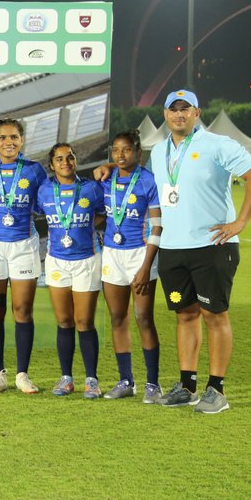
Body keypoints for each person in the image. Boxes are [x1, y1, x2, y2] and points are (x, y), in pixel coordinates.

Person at [150, 90, 251, 413]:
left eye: (185, 109)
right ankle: (187, 387)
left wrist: (241, 221)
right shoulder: (158, 152)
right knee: (184, 315)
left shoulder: (218, 145)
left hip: (212, 246)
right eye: (173, 109)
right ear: (165, 114)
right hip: (172, 248)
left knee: (215, 316)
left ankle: (217, 389)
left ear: (197, 113)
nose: (179, 115)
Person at [0, 118, 48, 394]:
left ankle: (22, 375)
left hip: (23, 245)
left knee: (22, 311)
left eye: (15, 137)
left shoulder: (34, 170)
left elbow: (45, 202)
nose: (9, 142)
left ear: (22, 140)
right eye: (4, 138)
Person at [98, 131, 165, 403]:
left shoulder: (148, 181)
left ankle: (153, 384)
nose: (120, 155)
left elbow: (157, 226)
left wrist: (146, 267)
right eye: (115, 150)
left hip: (140, 254)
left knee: (143, 319)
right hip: (112, 254)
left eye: (126, 150)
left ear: (137, 152)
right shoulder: (106, 180)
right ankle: (126, 381)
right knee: (117, 319)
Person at [36, 143, 106, 399]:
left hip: (86, 259)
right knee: (64, 321)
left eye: (70, 157)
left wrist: (80, 223)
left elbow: (100, 215)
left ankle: (91, 379)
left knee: (84, 321)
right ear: (51, 165)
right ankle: (66, 378)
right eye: (59, 159)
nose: (66, 162)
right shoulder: (44, 191)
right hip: (56, 260)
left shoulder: (90, 188)